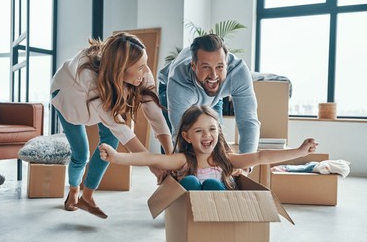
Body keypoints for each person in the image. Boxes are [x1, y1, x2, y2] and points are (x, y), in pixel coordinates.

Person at [50, 32, 173, 219]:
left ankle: (88, 197)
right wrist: (152, 163)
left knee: (110, 145)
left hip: (103, 101)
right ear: (121, 70)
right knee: (81, 155)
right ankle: (74, 189)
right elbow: (120, 128)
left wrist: (169, 157)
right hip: (69, 101)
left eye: (145, 63)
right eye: (140, 67)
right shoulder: (88, 75)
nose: (147, 71)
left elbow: (155, 114)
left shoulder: (141, 75)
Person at [99, 105, 318, 191]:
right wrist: (118, 157)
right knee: (191, 181)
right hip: (189, 214)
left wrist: (299, 152)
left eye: (212, 129)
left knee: (213, 182)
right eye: (199, 131)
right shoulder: (183, 159)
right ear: (186, 135)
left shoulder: (227, 160)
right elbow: (152, 159)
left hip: (218, 213)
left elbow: (261, 156)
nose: (207, 136)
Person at [158, 34, 260, 160]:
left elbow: (248, 122)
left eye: (219, 67)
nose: (213, 75)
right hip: (170, 88)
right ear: (194, 66)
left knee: (216, 139)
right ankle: (168, 176)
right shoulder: (179, 80)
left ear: (227, 65)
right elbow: (179, 133)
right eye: (206, 67)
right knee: (172, 145)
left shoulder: (238, 73)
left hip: (213, 96)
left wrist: (245, 166)